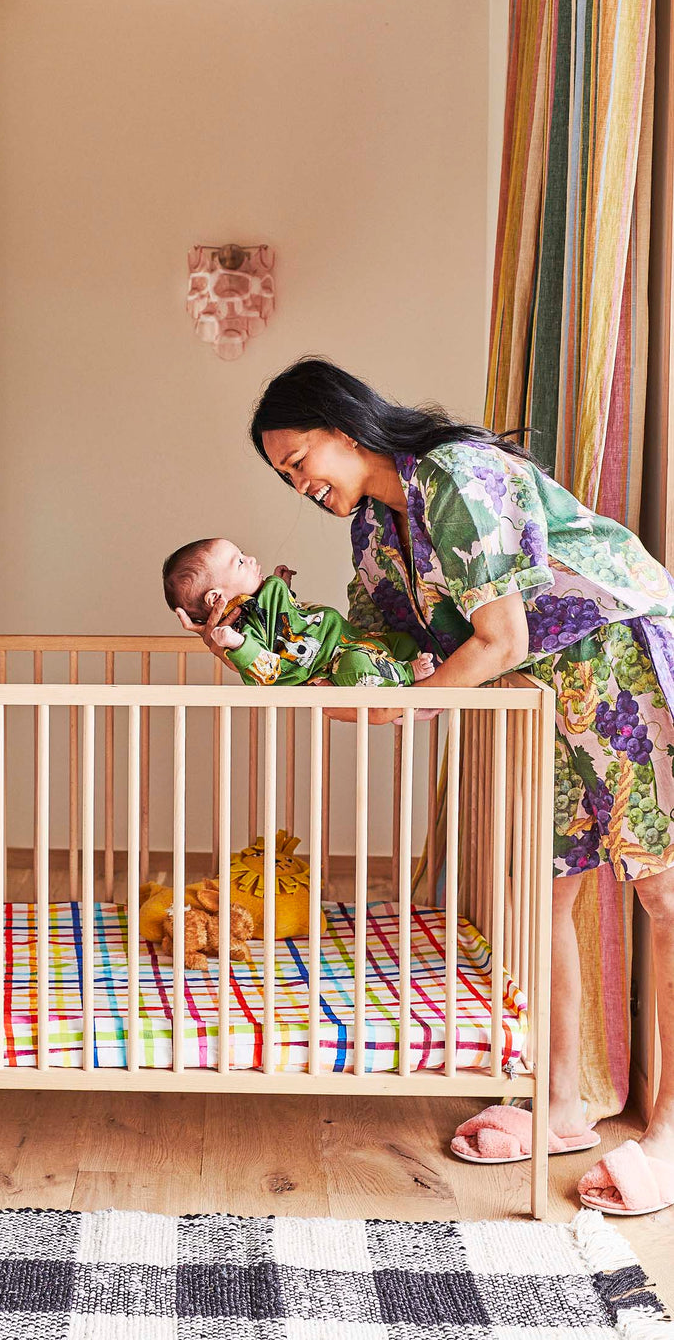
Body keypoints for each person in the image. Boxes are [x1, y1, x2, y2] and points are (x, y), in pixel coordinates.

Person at [177, 356, 674, 1216]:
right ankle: (561, 1103)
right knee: (547, 889)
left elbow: (501, 635)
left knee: (664, 895)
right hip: (540, 693)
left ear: (344, 427)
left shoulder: (456, 473)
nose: (297, 484)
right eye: (283, 475)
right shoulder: (373, 527)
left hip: (615, 650)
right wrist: (259, 658)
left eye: (299, 462)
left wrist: (409, 708)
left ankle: (670, 1135)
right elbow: (368, 667)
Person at [162, 536, 434, 687]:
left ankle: (402, 663)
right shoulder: (244, 626)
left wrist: (285, 586)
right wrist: (237, 643)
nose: (252, 559)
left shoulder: (264, 594)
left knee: (402, 641)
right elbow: (264, 666)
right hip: (332, 662)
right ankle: (406, 673)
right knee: (358, 667)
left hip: (348, 637)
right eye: (240, 562)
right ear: (215, 597)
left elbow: (287, 618)